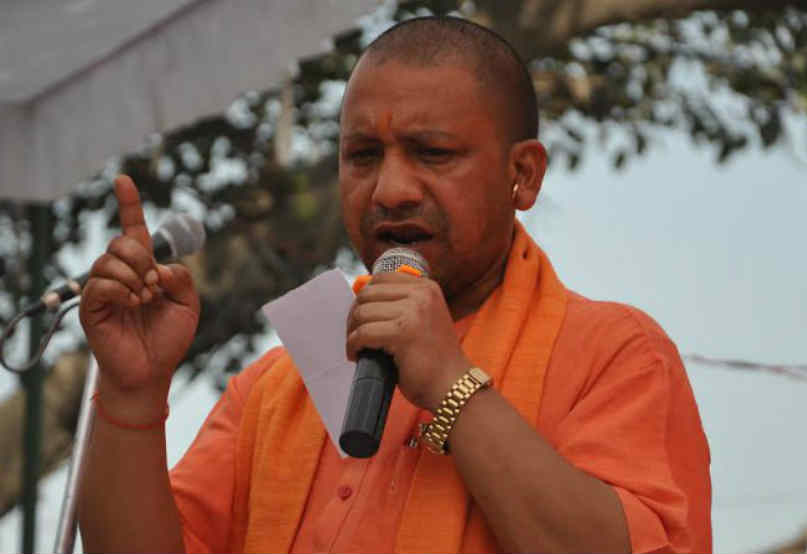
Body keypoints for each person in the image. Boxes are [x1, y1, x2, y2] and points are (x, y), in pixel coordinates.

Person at [78, 16, 711, 553]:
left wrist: (451, 385)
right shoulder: (276, 387)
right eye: (363, 156)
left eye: (432, 153)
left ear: (523, 174)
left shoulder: (616, 353)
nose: (390, 191)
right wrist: (131, 396)